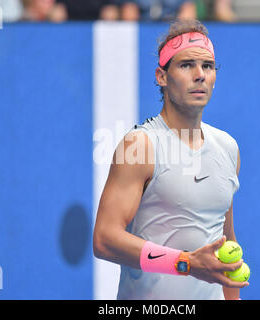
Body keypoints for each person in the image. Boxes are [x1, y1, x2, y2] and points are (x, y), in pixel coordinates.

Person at [93, 19, 248, 300]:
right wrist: (187, 263)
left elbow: (226, 245)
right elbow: (104, 240)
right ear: (161, 76)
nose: (199, 75)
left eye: (208, 66)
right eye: (186, 65)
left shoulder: (228, 147)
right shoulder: (139, 146)